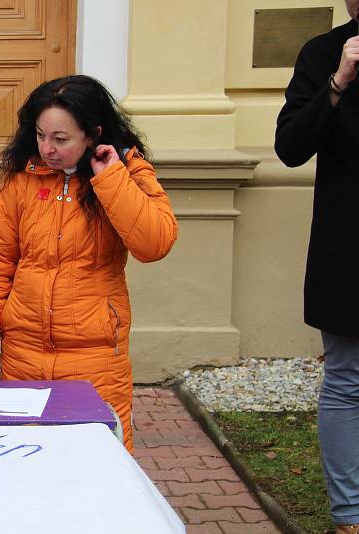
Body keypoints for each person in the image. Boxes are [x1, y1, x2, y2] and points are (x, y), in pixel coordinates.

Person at [0, 75, 178, 452]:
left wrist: (110, 176)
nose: (47, 148)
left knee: (96, 467)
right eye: (40, 134)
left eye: (61, 139)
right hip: (23, 353)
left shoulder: (127, 172)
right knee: (24, 463)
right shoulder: (23, 176)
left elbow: (154, 242)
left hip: (94, 358)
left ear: (93, 134)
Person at [275, 2, 359, 532]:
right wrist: (338, 82)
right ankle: (349, 516)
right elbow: (289, 147)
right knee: (348, 380)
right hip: (348, 247)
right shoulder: (325, 53)